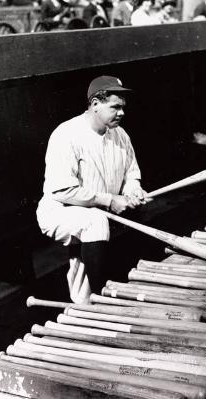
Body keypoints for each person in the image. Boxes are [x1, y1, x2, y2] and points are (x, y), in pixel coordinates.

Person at [36, 76, 147, 304]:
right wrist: (110, 199)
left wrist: (133, 189)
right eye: (115, 107)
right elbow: (62, 190)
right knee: (95, 222)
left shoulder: (120, 135)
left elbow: (131, 173)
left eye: (123, 107)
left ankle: (89, 302)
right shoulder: (66, 134)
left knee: (82, 284)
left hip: (98, 212)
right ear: (95, 103)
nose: (122, 113)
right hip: (60, 210)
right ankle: (103, 300)